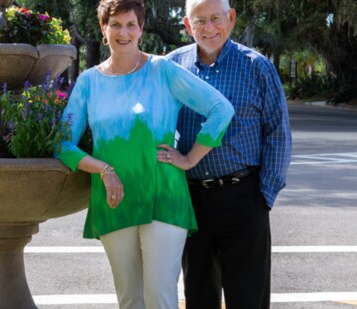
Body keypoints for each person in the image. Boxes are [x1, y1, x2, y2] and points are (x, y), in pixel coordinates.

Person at [55, 0, 234, 307]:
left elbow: (221, 109)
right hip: (114, 199)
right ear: (103, 28)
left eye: (131, 25)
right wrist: (103, 169)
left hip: (164, 197)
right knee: (129, 298)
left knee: (160, 297)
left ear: (141, 29)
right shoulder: (88, 82)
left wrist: (189, 158)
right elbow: (62, 144)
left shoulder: (162, 70)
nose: (123, 33)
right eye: (115, 25)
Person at [166, 0, 292, 308]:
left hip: (244, 197)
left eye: (215, 19)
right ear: (186, 25)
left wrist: (264, 196)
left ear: (231, 18)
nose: (208, 28)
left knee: (248, 298)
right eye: (199, 21)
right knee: (199, 296)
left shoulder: (257, 66)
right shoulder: (170, 67)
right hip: (191, 200)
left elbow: (278, 132)